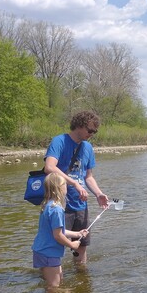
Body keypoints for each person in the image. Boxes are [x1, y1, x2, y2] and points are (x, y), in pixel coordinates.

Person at [44, 111, 109, 264]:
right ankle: (53, 276)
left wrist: (98, 193)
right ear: (79, 125)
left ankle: (81, 274)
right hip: (60, 204)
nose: (92, 134)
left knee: (81, 245)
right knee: (55, 246)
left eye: (95, 132)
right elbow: (49, 167)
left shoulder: (88, 148)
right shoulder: (59, 141)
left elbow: (88, 177)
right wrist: (73, 183)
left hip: (81, 205)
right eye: (90, 130)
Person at [32, 173, 88, 291]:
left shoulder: (48, 205)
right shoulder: (57, 209)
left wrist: (77, 234)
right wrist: (72, 244)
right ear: (59, 188)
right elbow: (57, 235)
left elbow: (58, 230)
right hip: (48, 253)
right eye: (65, 184)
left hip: (41, 250)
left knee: (59, 281)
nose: (67, 187)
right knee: (54, 288)